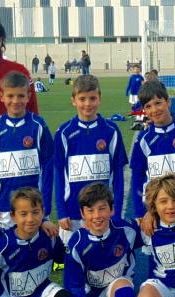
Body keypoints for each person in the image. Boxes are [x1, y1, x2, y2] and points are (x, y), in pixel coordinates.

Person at [53, 75, 128, 246]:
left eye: (92, 98)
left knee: (102, 258)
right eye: (82, 99)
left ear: (99, 99)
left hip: (102, 211)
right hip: (72, 210)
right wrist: (61, 211)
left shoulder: (111, 130)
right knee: (74, 259)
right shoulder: (64, 132)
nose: (88, 104)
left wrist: (115, 211)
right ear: (74, 101)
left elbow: (118, 174)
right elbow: (59, 174)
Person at [0, 71, 53, 229]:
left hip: (33, 206)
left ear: (29, 96)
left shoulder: (38, 125)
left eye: (21, 96)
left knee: (34, 248)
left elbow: (48, 167)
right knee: (6, 249)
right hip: (4, 207)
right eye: (10, 96)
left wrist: (45, 206)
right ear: (1, 96)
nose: (16, 101)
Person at [130, 80, 175, 221]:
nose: (155, 110)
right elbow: (137, 177)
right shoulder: (143, 139)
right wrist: (140, 213)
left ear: (168, 102)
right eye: (148, 106)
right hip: (154, 209)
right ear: (144, 110)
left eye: (158, 103)